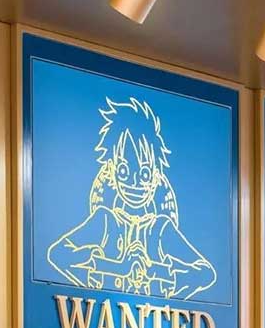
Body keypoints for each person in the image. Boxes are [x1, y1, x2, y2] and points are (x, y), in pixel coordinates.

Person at [47, 97, 216, 301]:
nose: (135, 182)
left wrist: (159, 273)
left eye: (144, 173)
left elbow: (206, 273)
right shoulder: (106, 221)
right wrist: (116, 268)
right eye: (124, 170)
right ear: (111, 171)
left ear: (155, 176)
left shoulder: (160, 229)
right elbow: (58, 254)